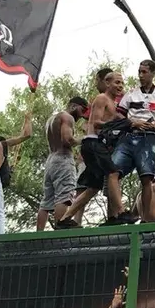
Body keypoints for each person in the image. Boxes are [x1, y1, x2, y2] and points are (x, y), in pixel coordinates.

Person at [59, 73, 132, 228]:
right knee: (113, 173)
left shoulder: (112, 103)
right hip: (93, 143)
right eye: (117, 82)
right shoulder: (102, 98)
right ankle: (120, 212)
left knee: (94, 186)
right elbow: (96, 122)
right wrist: (119, 125)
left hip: (98, 145)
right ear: (107, 83)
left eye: (122, 83)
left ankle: (65, 218)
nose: (120, 86)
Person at [115, 60, 155, 222]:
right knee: (113, 171)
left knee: (146, 178)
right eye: (139, 72)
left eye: (144, 72)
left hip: (149, 137)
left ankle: (145, 219)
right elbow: (119, 114)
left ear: (153, 73)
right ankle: (119, 212)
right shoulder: (131, 94)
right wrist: (132, 123)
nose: (141, 75)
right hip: (130, 135)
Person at [37, 97, 89, 231]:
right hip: (63, 159)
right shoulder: (67, 117)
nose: (82, 115)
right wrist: (83, 139)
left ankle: (39, 233)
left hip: (50, 160)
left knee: (46, 200)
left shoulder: (51, 119)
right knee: (64, 196)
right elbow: (67, 140)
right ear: (73, 106)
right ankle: (61, 228)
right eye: (82, 110)